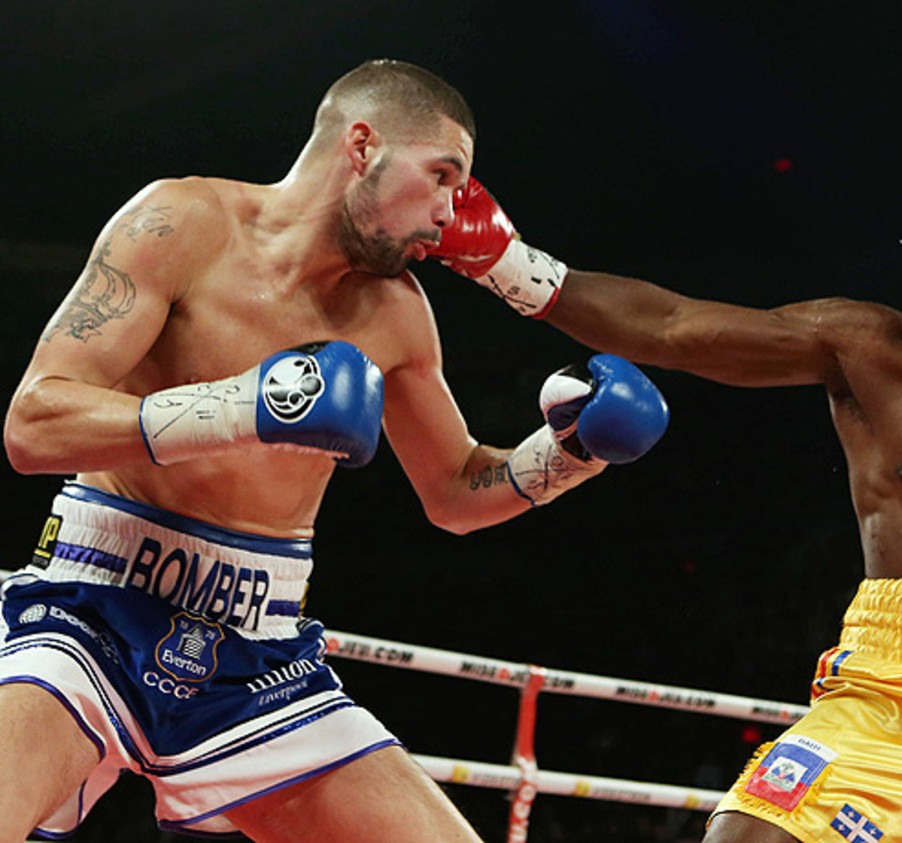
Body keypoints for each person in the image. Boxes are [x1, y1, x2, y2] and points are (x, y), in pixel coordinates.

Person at [426, 157, 902, 841]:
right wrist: (508, 264)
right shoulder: (873, 348)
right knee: (748, 837)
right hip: (897, 695)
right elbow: (674, 327)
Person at [0, 59, 669, 843]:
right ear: (361, 146)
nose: (451, 216)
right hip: (91, 610)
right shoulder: (181, 221)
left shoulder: (397, 315)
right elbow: (34, 422)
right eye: (442, 176)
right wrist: (246, 405)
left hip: (260, 651)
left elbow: (455, 491)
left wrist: (570, 452)